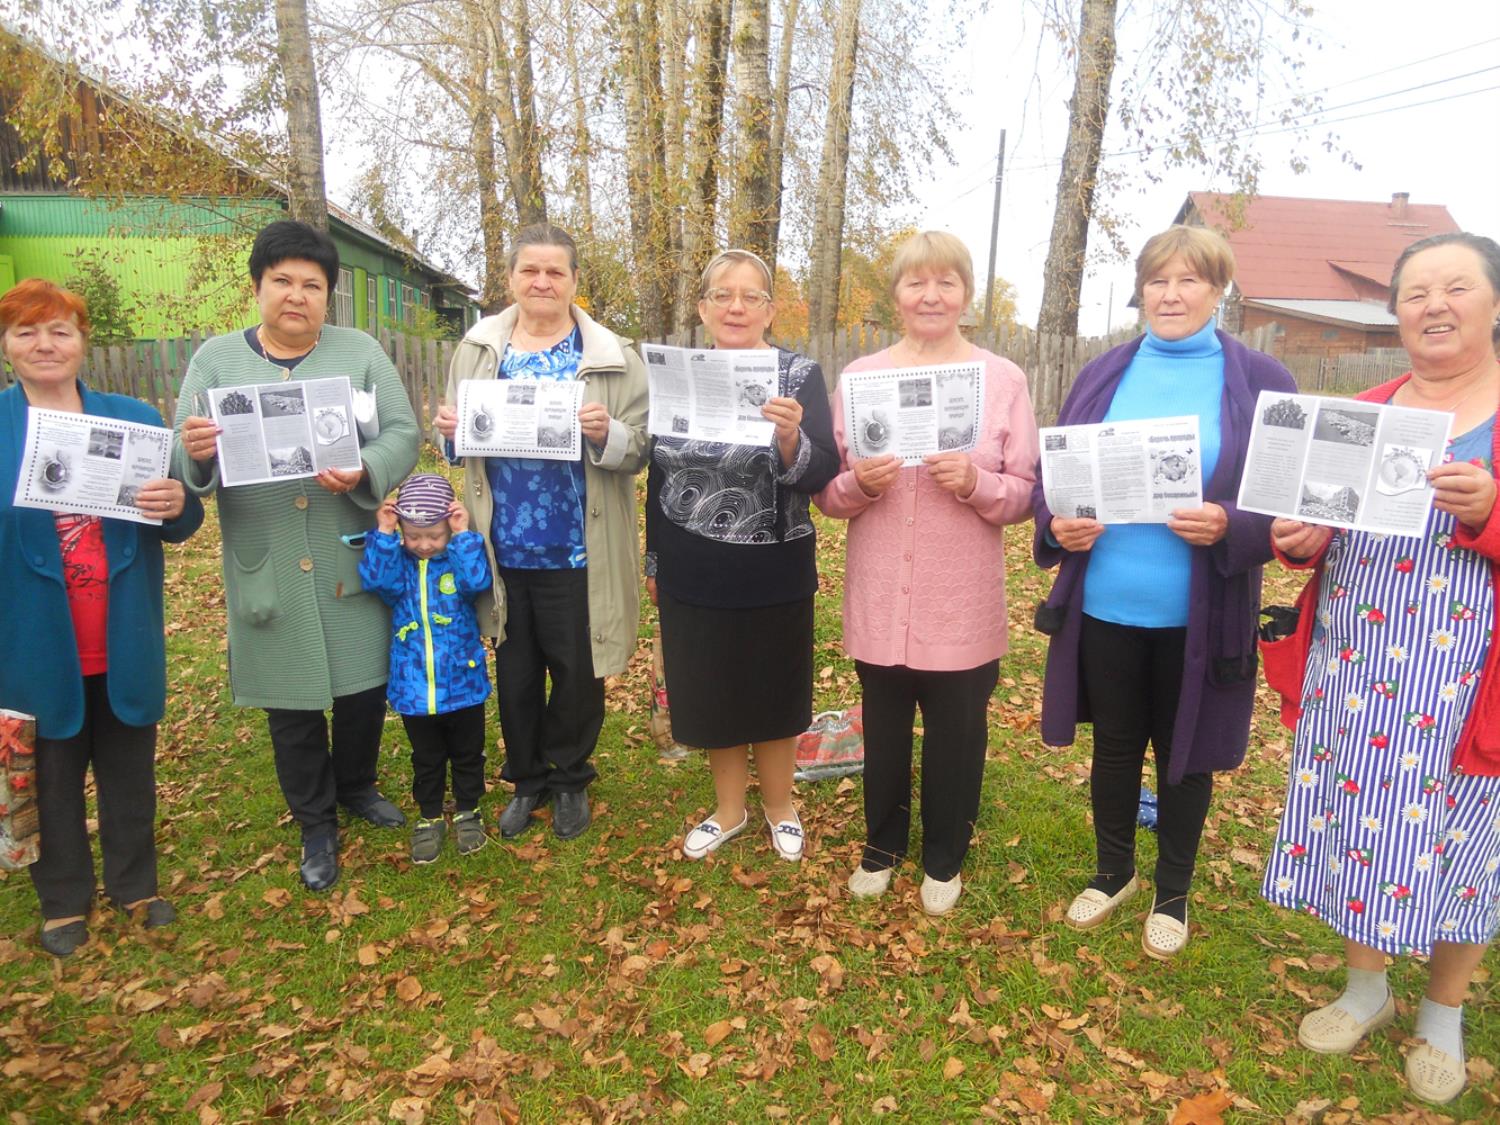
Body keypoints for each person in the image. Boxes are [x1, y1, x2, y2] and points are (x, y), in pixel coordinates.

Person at [1260, 232, 1500, 1104]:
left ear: (1495, 302)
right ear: (1394, 312)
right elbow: (1315, 535)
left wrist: (1493, 509)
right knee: (1358, 828)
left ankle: (1442, 1011)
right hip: (1359, 668)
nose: (1435, 305)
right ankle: (1364, 985)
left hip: (1469, 688)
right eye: (1416, 293)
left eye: (1457, 287)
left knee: (1462, 844)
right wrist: (1300, 539)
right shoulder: (1363, 408)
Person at [1033, 225, 1296, 958]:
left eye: (1189, 280)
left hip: (1202, 614)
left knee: (1185, 756)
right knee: (1115, 745)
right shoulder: (1103, 373)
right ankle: (1113, 870)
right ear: (1141, 289)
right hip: (1107, 602)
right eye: (1157, 280)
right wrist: (1058, 525)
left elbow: (1292, 500)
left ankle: (1172, 892)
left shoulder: (1262, 379)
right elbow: (1052, 478)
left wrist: (1231, 524)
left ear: (1219, 291)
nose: (1171, 294)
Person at [175, 220, 420, 892]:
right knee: (292, 700)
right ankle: (315, 819)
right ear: (257, 287)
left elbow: (403, 431)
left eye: (311, 284)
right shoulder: (216, 362)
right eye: (281, 280)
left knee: (364, 686)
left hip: (349, 553)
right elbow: (183, 460)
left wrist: (366, 467)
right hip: (270, 555)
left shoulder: (359, 352)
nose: (296, 295)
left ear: (327, 296)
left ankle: (358, 784)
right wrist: (196, 451)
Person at [815, 231, 1038, 915]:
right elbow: (827, 492)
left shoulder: (1002, 380)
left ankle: (944, 854)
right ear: (897, 295)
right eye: (917, 283)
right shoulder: (861, 378)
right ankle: (881, 845)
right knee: (882, 725)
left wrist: (975, 482)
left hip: (959, 596)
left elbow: (1025, 493)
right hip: (883, 591)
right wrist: (861, 484)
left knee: (957, 732)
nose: (931, 295)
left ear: (966, 294)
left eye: (946, 282)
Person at [0, 279, 203, 957]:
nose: (44, 344)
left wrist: (177, 501)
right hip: (33, 642)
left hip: (121, 633)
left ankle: (135, 884)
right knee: (50, 776)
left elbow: (181, 522)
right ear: (7, 346)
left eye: (59, 330)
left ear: (83, 341)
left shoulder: (134, 419)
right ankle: (62, 900)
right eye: (26, 331)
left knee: (128, 773)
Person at [435, 224, 648, 842]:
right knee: (517, 669)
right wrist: (448, 431)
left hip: (579, 543)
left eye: (556, 271)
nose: (542, 282)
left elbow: (642, 446)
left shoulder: (612, 356)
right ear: (510, 279)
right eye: (531, 270)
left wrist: (608, 432)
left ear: (574, 281)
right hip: (501, 546)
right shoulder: (477, 350)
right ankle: (526, 778)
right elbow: (456, 445)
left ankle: (569, 775)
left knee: (578, 670)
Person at [645, 249, 840, 863]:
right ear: (703, 308)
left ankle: (781, 806)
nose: (736, 306)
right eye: (722, 295)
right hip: (690, 560)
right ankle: (729, 810)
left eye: (750, 295)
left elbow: (824, 471)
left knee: (773, 690)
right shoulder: (674, 371)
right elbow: (656, 473)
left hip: (774, 561)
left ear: (769, 309)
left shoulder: (798, 375)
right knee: (711, 689)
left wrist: (790, 438)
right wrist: (654, 561)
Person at [359, 473, 493, 863]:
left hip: (463, 681)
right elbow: (374, 580)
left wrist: (463, 535)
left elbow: (477, 580)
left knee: (468, 754)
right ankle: (430, 815)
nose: (424, 545)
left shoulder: (456, 556)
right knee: (427, 757)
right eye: (414, 536)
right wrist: (384, 535)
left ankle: (469, 810)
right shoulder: (399, 566)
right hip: (414, 686)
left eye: (434, 535)